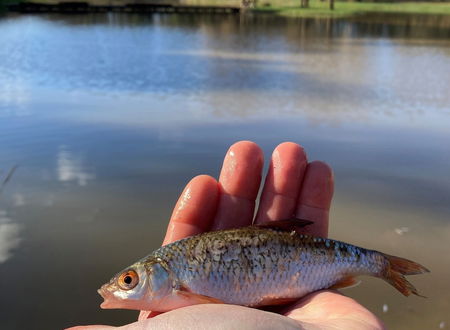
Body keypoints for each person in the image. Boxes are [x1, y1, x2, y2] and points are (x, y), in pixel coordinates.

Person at [70, 141, 384, 330]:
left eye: (128, 281)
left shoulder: (177, 278)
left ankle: (379, 264)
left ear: (160, 274)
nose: (120, 288)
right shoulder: (172, 282)